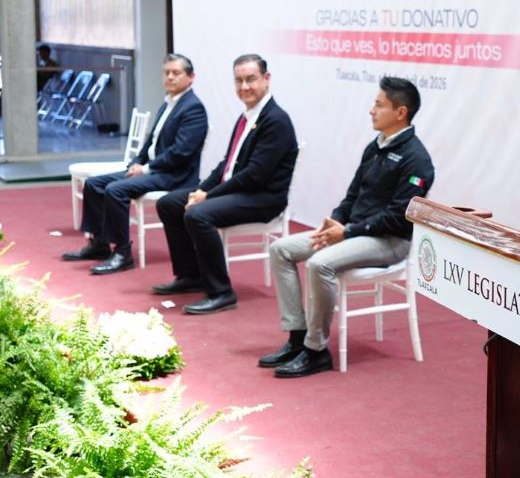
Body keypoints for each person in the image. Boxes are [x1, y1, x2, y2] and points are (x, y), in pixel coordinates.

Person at [259, 77, 434, 377]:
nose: (371, 110)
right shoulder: (375, 146)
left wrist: (348, 232)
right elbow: (353, 194)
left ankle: (315, 351)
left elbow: (397, 217)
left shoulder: (416, 159)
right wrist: (338, 219)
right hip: (356, 231)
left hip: (390, 241)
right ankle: (297, 337)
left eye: (379, 105)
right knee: (281, 249)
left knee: (319, 264)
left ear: (400, 112)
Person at [152, 54, 297, 315]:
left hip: (263, 198)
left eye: (251, 79)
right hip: (241, 191)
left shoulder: (275, 120)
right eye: (239, 81)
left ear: (267, 79)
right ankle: (190, 275)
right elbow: (227, 165)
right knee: (169, 203)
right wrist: (201, 189)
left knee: (198, 215)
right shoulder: (248, 116)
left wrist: (207, 197)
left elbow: (254, 176)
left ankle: (221, 291)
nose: (244, 87)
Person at [62, 54, 208, 274]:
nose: (170, 77)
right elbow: (151, 142)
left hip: (174, 175)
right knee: (93, 184)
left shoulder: (193, 108)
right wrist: (136, 162)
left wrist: (146, 168)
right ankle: (99, 244)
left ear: (191, 77)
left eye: (176, 73)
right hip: (153, 170)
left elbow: (181, 153)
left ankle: (122, 253)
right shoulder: (168, 103)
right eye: (166, 72)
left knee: (115, 190)